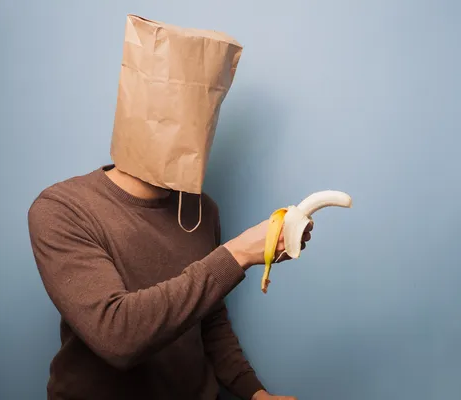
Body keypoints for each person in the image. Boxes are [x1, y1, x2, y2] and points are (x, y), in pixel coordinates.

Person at [27, 14, 308, 400]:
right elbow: (117, 335)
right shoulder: (61, 209)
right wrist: (238, 253)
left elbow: (209, 324)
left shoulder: (203, 211)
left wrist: (256, 394)